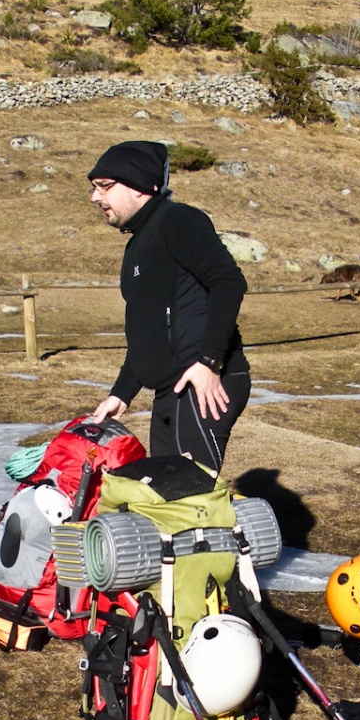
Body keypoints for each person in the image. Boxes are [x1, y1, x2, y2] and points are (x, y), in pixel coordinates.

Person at [85, 140, 250, 476]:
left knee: (190, 494)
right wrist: (122, 393)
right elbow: (147, 331)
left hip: (201, 382)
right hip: (170, 392)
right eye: (93, 188)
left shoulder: (178, 220)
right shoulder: (137, 245)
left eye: (105, 186)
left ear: (139, 186)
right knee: (165, 493)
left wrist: (209, 362)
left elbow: (228, 282)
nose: (95, 197)